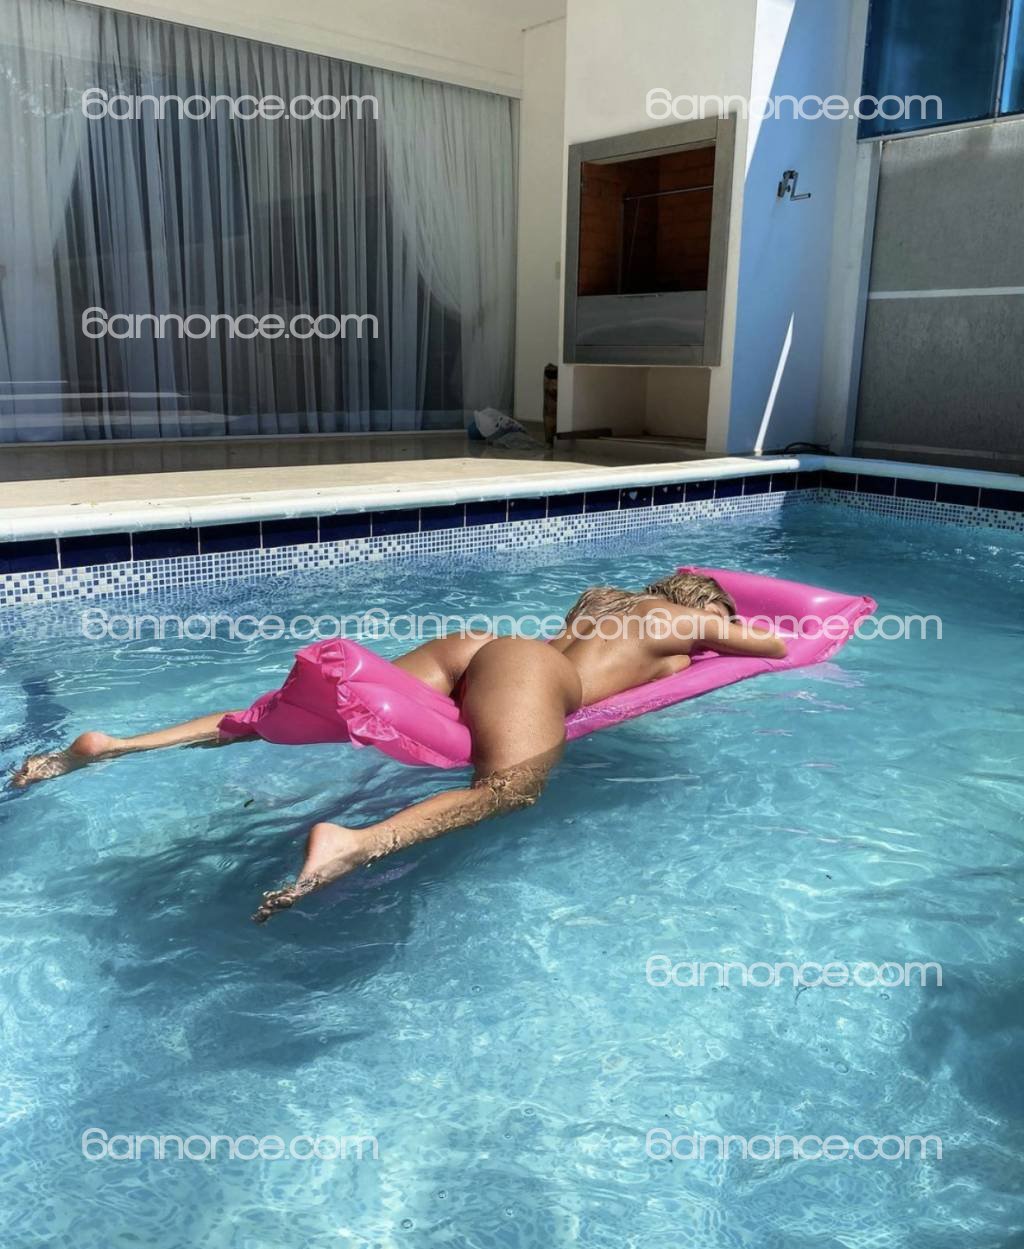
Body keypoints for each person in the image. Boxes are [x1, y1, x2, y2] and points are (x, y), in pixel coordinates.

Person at [10, 572, 786, 923]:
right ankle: (352, 843)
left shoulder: (605, 601)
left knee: (272, 715)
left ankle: (114, 745)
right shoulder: (687, 619)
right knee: (510, 789)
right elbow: (774, 644)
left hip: (478, 650)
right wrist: (723, 627)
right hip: (532, 674)